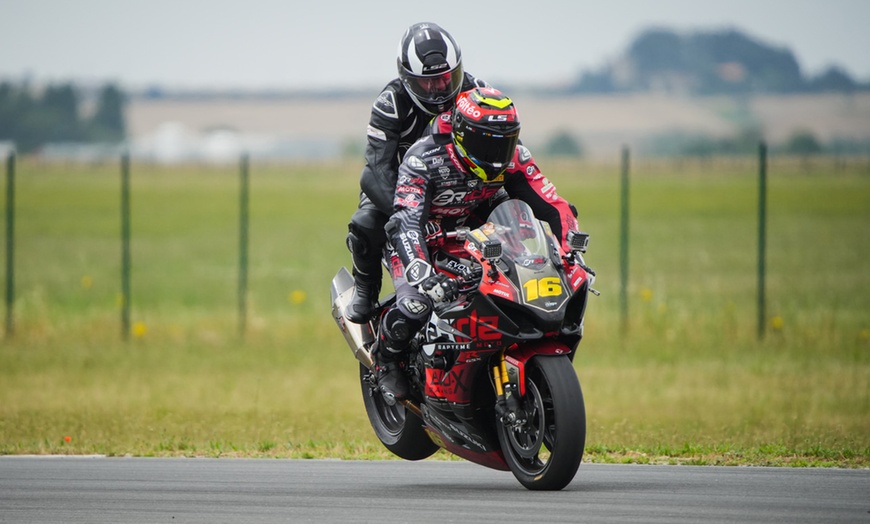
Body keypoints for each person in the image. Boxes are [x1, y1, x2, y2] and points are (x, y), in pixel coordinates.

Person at [374, 86, 580, 401]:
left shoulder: (516, 158)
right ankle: (385, 358)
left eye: (506, 142)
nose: (499, 155)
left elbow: (552, 204)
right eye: (487, 143)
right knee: (415, 306)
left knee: (526, 287)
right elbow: (405, 220)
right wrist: (421, 271)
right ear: (462, 135)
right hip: (420, 241)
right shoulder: (424, 158)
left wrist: (569, 248)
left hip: (480, 236)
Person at [345, 22, 488, 324]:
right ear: (407, 78)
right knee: (365, 222)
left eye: (446, 78)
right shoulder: (391, 102)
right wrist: (411, 213)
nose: (439, 88)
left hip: (464, 190)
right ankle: (365, 288)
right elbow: (375, 170)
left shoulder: (475, 92)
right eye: (429, 82)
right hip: (401, 192)